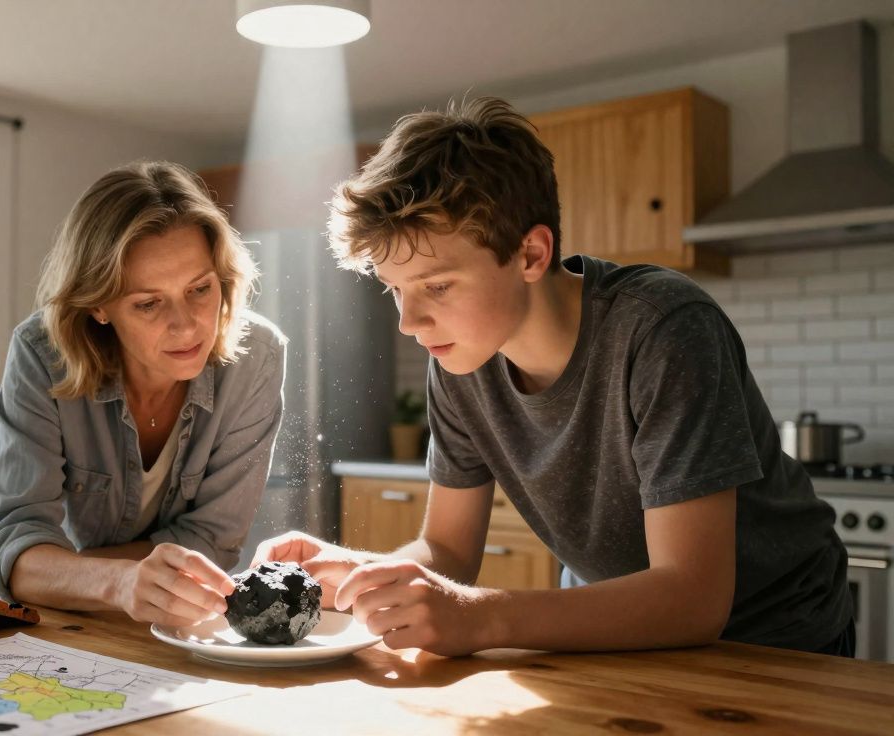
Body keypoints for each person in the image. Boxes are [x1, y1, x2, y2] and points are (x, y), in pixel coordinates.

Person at [256, 97, 853, 657]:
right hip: (621, 628)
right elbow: (448, 552)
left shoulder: (663, 327)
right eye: (395, 291)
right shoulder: (460, 356)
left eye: (436, 286)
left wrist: (480, 616)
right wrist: (365, 574)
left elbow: (693, 599)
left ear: (531, 255)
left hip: (775, 637)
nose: (410, 322)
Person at [0, 161, 286, 628]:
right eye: (148, 303)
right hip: (53, 610)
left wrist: (75, 570)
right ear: (99, 305)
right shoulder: (43, 354)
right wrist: (118, 581)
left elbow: (212, 542)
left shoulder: (256, 358)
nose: (185, 325)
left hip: (116, 603)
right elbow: (14, 546)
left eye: (200, 289)